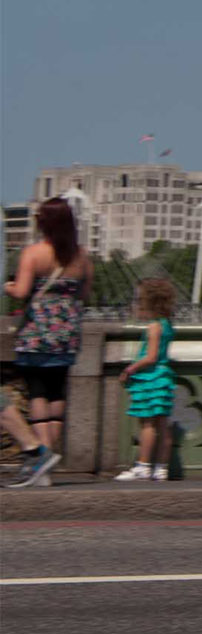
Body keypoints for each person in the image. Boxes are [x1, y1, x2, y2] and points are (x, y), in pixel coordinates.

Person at [4, 197, 90, 488]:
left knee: (37, 393)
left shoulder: (34, 253)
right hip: (67, 333)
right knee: (57, 396)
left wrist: (9, 286)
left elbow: (22, 291)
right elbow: (84, 294)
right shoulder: (81, 256)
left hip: (37, 333)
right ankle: (49, 460)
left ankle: (42, 464)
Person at [116, 276, 180, 482]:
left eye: (139, 300)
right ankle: (161, 468)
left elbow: (150, 357)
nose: (136, 304)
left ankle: (143, 466)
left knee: (147, 425)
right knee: (163, 425)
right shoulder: (167, 325)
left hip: (150, 378)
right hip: (163, 376)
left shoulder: (153, 327)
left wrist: (131, 369)